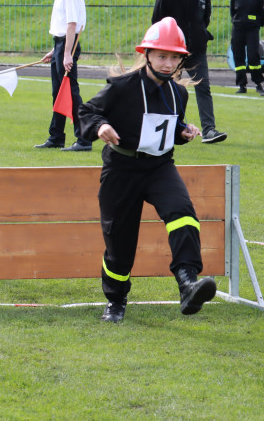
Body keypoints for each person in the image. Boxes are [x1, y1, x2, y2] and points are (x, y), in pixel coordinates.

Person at [78, 17, 217, 324]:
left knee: (183, 214)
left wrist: (183, 131)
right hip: (121, 169)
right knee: (119, 244)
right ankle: (116, 301)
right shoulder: (122, 87)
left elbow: (166, 127)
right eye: (162, 56)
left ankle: (187, 283)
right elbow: (87, 111)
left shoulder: (178, 94)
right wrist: (101, 126)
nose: (168, 64)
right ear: (147, 54)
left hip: (159, 167)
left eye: (174, 57)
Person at [151, 0, 227, 143]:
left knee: (203, 87)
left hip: (197, 50)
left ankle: (209, 130)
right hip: (173, 53)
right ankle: (169, 129)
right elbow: (157, 23)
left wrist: (198, 35)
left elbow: (205, 19)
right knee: (169, 88)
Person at [34, 0, 91, 152]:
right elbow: (63, 26)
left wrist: (66, 53)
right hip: (61, 43)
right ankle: (56, 136)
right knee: (58, 93)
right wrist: (55, 49)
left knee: (71, 93)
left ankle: (84, 139)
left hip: (69, 44)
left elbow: (72, 24)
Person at [228, 0, 264, 94]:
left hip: (252, 30)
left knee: (252, 56)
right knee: (238, 57)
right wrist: (237, 21)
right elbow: (232, 12)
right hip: (238, 29)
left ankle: (258, 83)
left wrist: (257, 24)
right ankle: (241, 85)